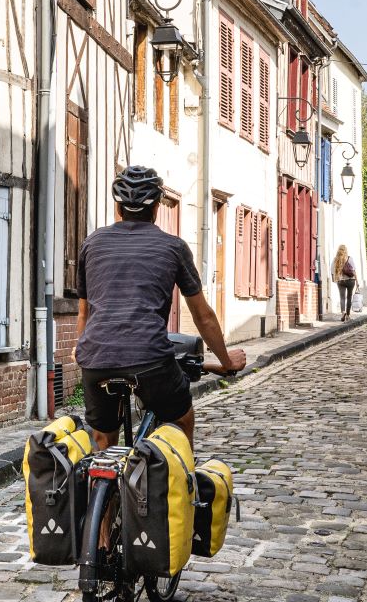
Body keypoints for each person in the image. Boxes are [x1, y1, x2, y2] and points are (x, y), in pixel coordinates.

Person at [74, 164, 246, 452]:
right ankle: (186, 487)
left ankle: (102, 494)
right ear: (156, 208)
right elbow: (203, 316)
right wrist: (226, 361)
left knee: (103, 439)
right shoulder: (173, 247)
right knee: (182, 420)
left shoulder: (92, 244)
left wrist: (81, 348)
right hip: (150, 359)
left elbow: (84, 313)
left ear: (118, 207)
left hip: (95, 358)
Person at [333, 243, 357, 322]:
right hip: (350, 280)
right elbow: (353, 271)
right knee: (349, 297)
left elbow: (332, 271)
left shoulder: (335, 259)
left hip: (341, 281)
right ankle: (348, 315)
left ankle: (343, 312)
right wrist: (357, 281)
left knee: (342, 297)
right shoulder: (350, 259)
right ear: (346, 251)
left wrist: (335, 279)